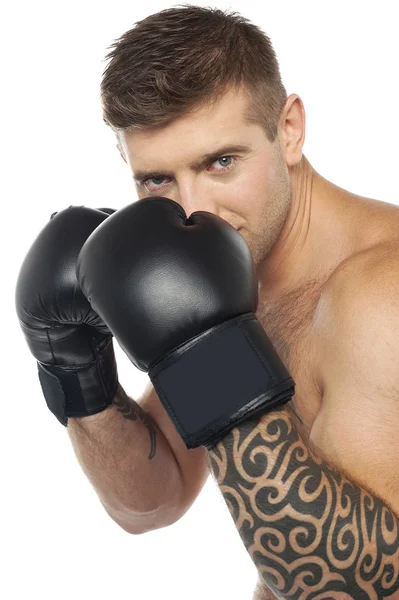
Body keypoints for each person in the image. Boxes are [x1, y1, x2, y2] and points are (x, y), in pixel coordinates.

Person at [15, 6, 399, 600]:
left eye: (221, 162)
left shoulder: (380, 295)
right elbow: (151, 500)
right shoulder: (228, 271)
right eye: (156, 180)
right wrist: (74, 368)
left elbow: (364, 586)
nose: (194, 208)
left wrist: (214, 364)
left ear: (289, 129)